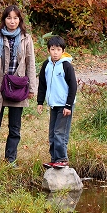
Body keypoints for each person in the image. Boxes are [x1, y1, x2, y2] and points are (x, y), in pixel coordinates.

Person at [0, 5, 37, 164]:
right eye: (9, 18)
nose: (12, 21)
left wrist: (32, 88)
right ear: (4, 19)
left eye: (15, 18)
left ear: (19, 20)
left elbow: (30, 64)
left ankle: (10, 159)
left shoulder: (26, 37)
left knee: (15, 128)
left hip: (18, 87)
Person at [37, 35, 77, 169]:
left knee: (60, 132)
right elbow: (42, 84)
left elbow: (73, 86)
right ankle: (54, 159)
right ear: (48, 50)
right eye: (53, 49)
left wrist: (68, 105)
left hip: (65, 105)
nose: (55, 52)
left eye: (58, 50)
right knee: (52, 132)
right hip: (53, 104)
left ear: (63, 51)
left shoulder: (66, 66)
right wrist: (40, 102)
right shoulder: (46, 65)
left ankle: (62, 158)